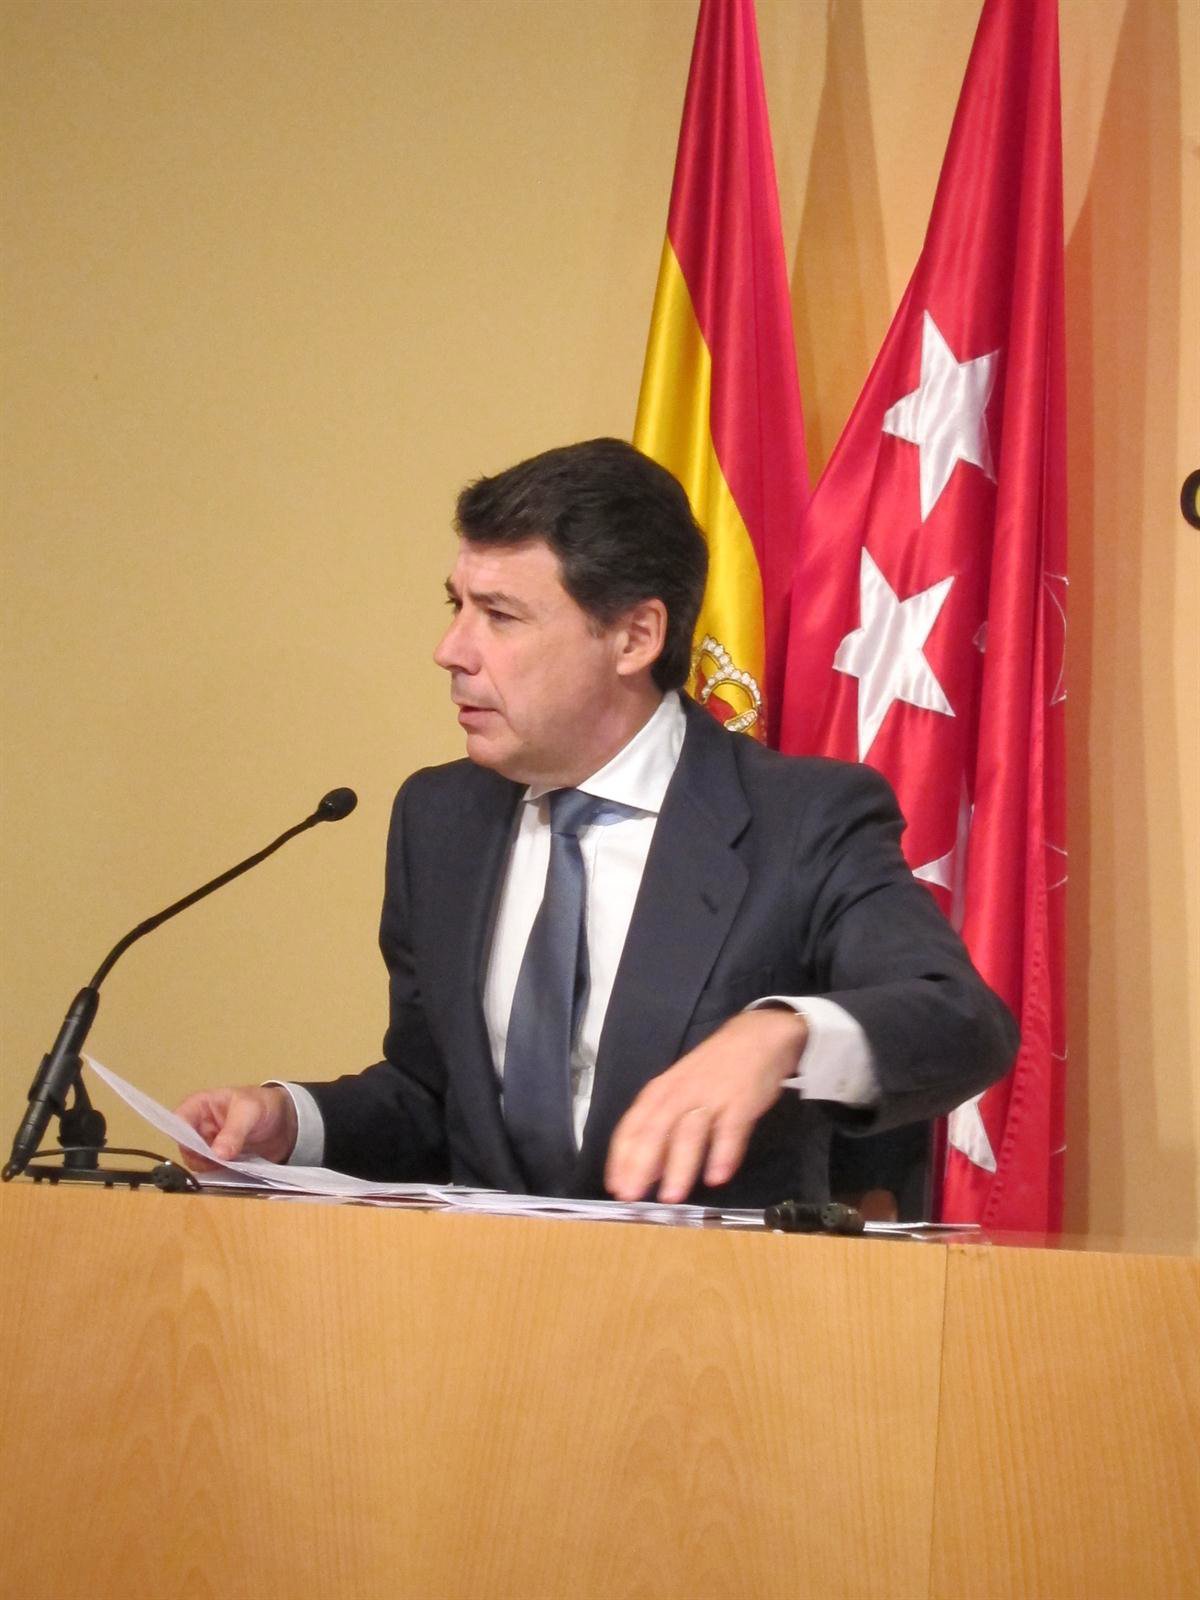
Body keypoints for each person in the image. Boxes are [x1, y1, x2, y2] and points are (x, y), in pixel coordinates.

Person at [176, 438, 1016, 1205]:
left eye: (500, 616)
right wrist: (291, 1122)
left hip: (709, 1311)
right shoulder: (439, 820)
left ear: (634, 637)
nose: (451, 650)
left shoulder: (799, 820)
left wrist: (781, 1034)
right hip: (479, 1301)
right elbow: (437, 1097)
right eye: (456, 605)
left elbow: (961, 1021)